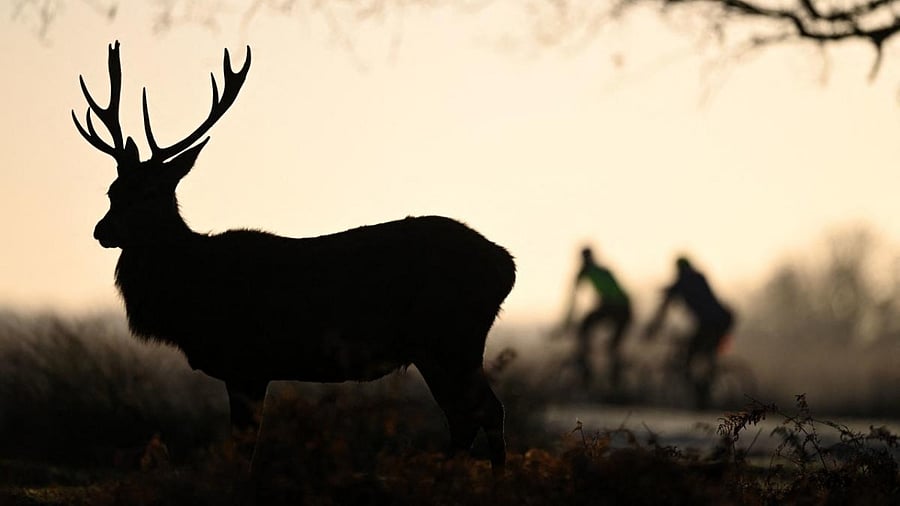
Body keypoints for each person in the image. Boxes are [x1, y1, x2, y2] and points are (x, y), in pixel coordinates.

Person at [644, 256, 735, 408]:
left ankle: (702, 395)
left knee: (691, 357)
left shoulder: (686, 281)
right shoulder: (695, 278)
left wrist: (653, 328)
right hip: (717, 321)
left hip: (714, 323)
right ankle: (703, 391)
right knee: (700, 354)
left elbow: (664, 307)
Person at [562, 247, 633, 390]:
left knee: (611, 346)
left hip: (620, 308)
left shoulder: (598, 271)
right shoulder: (597, 271)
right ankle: (593, 376)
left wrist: (568, 319)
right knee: (590, 336)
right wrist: (568, 319)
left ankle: (612, 381)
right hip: (618, 308)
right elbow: (573, 298)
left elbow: (613, 294)